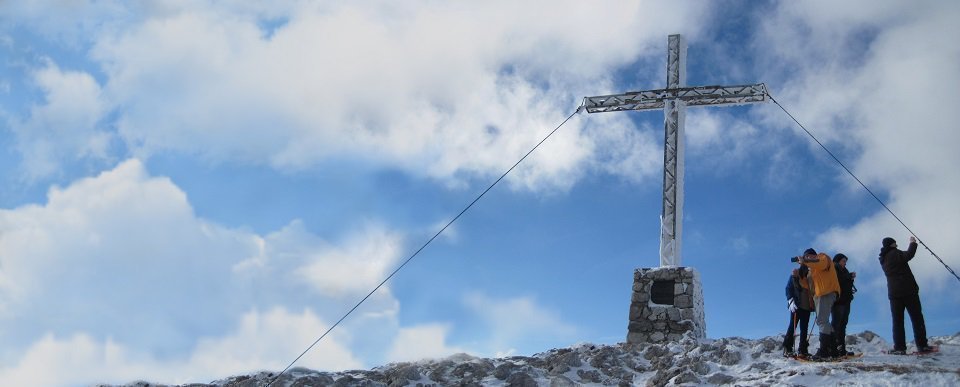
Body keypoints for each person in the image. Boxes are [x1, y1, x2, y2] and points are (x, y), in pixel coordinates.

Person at [879, 236, 934, 354]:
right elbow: (909, 254)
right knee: (917, 318)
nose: (896, 244)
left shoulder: (883, 258)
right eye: (895, 242)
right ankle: (922, 345)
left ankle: (899, 348)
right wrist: (913, 243)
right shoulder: (894, 253)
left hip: (894, 294)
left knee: (897, 321)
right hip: (908, 291)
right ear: (892, 244)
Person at [797, 247, 841, 360]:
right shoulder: (812, 269)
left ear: (814, 255)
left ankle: (824, 351)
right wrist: (801, 272)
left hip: (825, 292)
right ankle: (833, 350)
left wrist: (805, 261)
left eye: (808, 256)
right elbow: (807, 285)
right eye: (805, 256)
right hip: (820, 294)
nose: (807, 258)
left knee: (822, 320)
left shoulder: (822, 257)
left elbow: (821, 264)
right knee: (824, 321)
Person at [782, 265, 814, 357]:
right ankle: (787, 348)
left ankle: (802, 350)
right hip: (796, 306)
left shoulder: (810, 276)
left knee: (804, 328)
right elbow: (788, 288)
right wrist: (790, 300)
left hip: (807, 307)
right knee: (793, 326)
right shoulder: (795, 275)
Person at [831, 253, 856, 356]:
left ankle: (841, 348)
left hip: (846, 300)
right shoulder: (833, 268)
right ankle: (833, 348)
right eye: (843, 261)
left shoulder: (844, 270)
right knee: (836, 324)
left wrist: (851, 279)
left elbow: (845, 284)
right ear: (838, 261)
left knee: (843, 324)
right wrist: (849, 276)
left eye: (845, 261)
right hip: (838, 301)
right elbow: (837, 280)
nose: (845, 263)